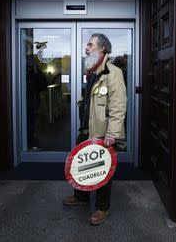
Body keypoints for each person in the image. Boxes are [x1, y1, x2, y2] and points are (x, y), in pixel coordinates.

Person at [62, 33, 127, 225]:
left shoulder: (113, 73)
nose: (87, 48)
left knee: (102, 169)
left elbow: (118, 106)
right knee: (80, 164)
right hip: (86, 129)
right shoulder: (92, 71)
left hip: (102, 133)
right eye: (88, 45)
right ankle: (81, 197)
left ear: (102, 49)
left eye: (90, 45)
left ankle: (102, 207)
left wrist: (112, 134)